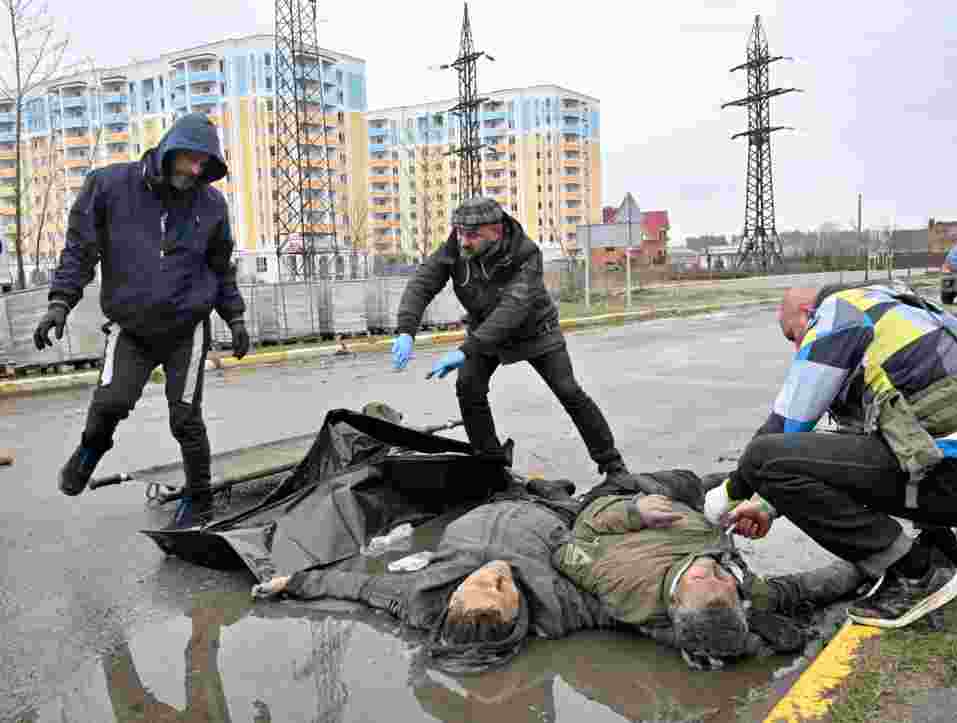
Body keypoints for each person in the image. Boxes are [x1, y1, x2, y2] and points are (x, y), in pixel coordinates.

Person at [704, 282, 957, 629]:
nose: (798, 348)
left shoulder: (840, 313)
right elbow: (853, 457)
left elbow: (784, 428)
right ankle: (940, 551)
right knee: (898, 436)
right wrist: (768, 505)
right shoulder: (907, 310)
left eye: (792, 335)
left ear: (806, 314)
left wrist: (726, 497)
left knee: (763, 456)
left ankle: (917, 573)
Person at [34, 112, 250, 528]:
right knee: (112, 403)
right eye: (189, 159)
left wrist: (235, 318)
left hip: (186, 328)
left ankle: (199, 500)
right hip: (131, 327)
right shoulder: (110, 186)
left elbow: (221, 267)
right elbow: (80, 250)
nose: (195, 170)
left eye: (205, 164)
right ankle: (89, 451)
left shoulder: (211, 204)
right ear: (169, 149)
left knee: (185, 417)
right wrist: (60, 302)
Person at [252, 476, 616, 672]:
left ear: (452, 600)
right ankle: (550, 492)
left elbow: (358, 586)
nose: (492, 570)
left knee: (507, 484)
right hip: (551, 517)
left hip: (492, 504)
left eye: (474, 583)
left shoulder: (421, 600)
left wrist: (293, 582)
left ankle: (533, 487)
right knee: (588, 500)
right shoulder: (563, 607)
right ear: (517, 613)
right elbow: (631, 606)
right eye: (500, 586)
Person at [389, 196, 628, 480]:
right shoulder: (456, 246)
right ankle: (490, 465)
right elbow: (422, 283)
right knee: (468, 386)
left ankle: (613, 466)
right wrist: (406, 330)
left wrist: (466, 350)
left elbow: (513, 309)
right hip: (485, 331)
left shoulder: (526, 254)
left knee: (568, 391)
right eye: (460, 232)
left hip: (536, 332)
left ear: (497, 230)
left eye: (473, 235)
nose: (464, 241)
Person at [555, 471, 866, 670]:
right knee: (747, 483)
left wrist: (633, 512)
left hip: (636, 498)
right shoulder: (736, 593)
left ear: (674, 601)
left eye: (704, 578)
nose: (712, 568)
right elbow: (797, 589)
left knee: (709, 482)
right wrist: (868, 567)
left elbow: (570, 544)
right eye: (724, 579)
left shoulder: (620, 583)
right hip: (698, 519)